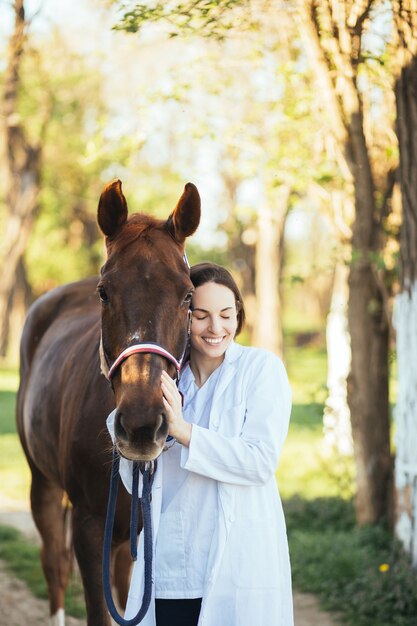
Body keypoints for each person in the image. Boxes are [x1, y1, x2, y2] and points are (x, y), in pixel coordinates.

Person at [109, 262, 293, 626]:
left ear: (239, 314)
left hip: (237, 566)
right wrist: (136, 432)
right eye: (201, 315)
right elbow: (135, 483)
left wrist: (184, 431)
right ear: (183, 317)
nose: (215, 328)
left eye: (226, 315)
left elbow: (259, 462)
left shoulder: (260, 370)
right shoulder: (162, 382)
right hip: (171, 569)